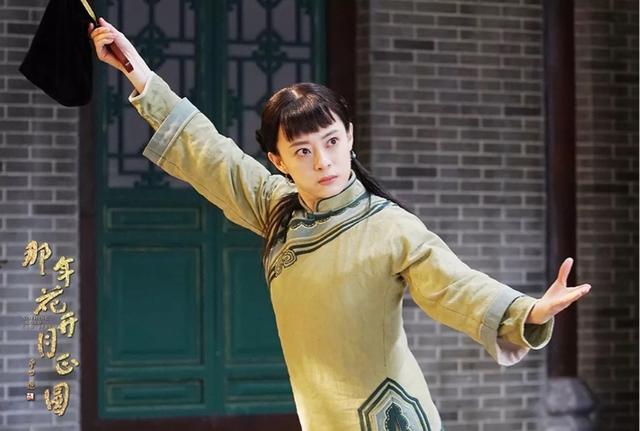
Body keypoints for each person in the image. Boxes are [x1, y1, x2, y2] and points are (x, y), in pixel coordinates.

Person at [89, 17, 592, 431]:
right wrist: (139, 73)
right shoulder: (277, 209)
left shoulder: (391, 227)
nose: (323, 161)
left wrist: (528, 311)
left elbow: (454, 286)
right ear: (278, 160)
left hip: (390, 418)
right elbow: (213, 155)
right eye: (303, 151)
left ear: (350, 137)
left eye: (331, 142)